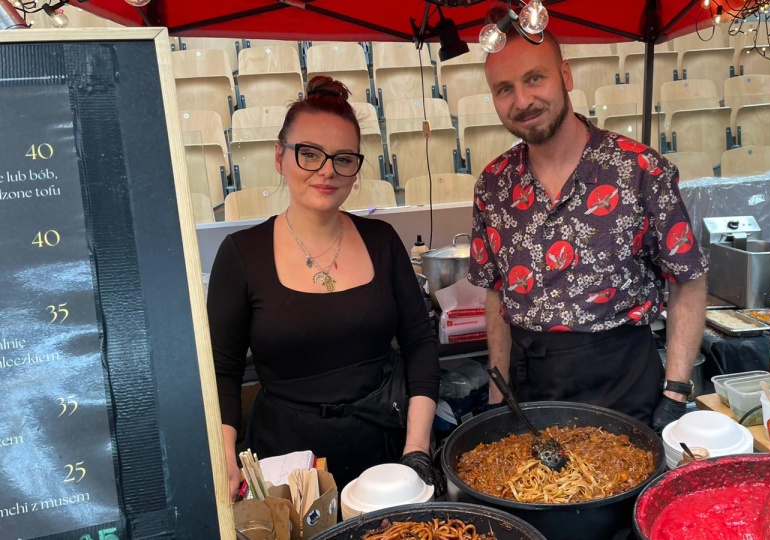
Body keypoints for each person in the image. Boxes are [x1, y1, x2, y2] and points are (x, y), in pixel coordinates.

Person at [468, 20, 709, 431]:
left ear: (564, 76)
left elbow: (688, 279)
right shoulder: (492, 185)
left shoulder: (639, 169)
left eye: (534, 78)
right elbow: (495, 293)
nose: (522, 100)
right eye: (504, 88)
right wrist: (497, 393)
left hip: (625, 384)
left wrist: (675, 392)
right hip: (531, 391)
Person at [207, 76, 441, 495]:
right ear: (280, 157)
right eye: (309, 154)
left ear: (357, 168)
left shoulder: (382, 240)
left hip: (384, 457)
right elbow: (221, 372)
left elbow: (420, 344)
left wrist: (416, 450)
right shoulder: (241, 253)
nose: (327, 171)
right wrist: (226, 460)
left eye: (343, 158)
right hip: (286, 470)